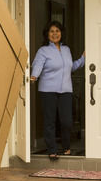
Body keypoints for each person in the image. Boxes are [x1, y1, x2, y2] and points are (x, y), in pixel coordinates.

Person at [29, 20, 85, 159]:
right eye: (51, 31)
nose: (55, 34)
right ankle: (52, 149)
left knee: (66, 121)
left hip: (66, 90)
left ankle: (66, 147)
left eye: (57, 31)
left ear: (61, 33)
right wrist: (34, 76)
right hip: (47, 90)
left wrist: (83, 58)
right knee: (50, 121)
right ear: (47, 35)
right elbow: (38, 65)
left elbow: (70, 67)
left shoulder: (66, 50)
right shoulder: (43, 51)